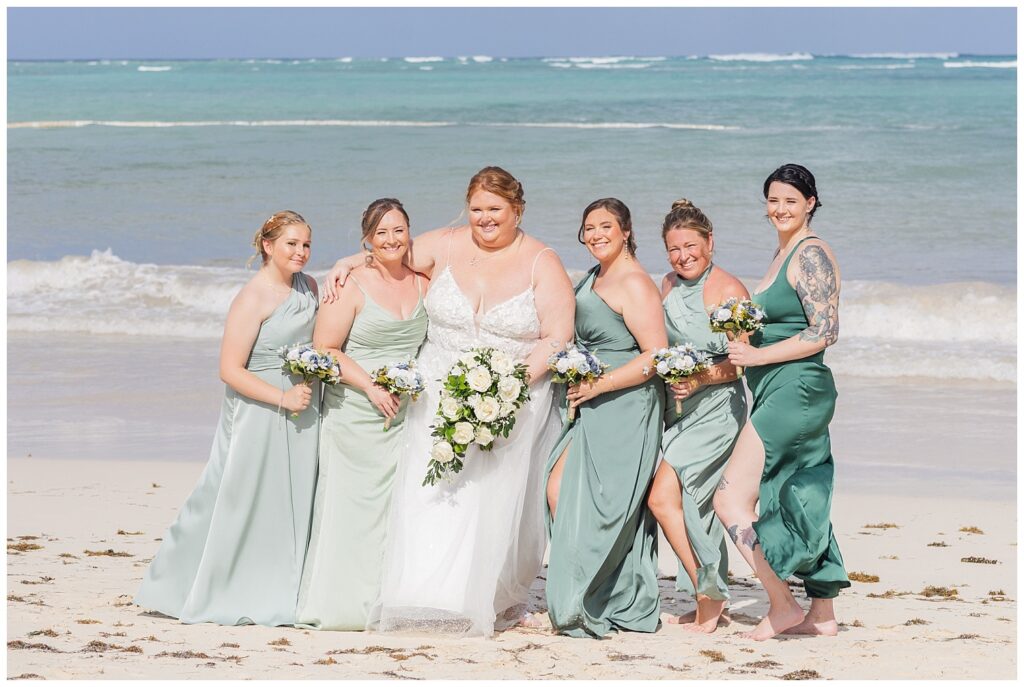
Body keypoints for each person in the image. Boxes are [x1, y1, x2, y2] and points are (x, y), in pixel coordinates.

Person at [323, 166, 575, 636]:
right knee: (430, 491)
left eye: (495, 209)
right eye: (477, 209)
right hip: (437, 387)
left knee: (493, 497)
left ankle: (485, 596)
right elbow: (389, 250)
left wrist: (507, 386)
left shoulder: (543, 261)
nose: (485, 218)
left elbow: (557, 338)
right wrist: (346, 263)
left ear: (516, 210)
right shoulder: (446, 243)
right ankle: (423, 595)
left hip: (514, 395)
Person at [135, 211, 320, 626]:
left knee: (291, 498)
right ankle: (182, 585)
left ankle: (284, 587)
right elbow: (230, 369)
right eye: (291, 244)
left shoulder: (309, 286)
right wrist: (282, 398)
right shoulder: (253, 297)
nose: (301, 252)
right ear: (268, 246)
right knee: (237, 496)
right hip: (260, 409)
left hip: (303, 406)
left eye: (307, 244)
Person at [714, 164, 850, 641]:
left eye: (790, 200)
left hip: (797, 389)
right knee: (801, 493)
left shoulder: (812, 253)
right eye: (772, 200)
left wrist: (757, 353)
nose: (780, 209)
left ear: (810, 202)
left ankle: (781, 603)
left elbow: (823, 332)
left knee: (729, 498)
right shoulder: (784, 251)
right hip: (780, 388)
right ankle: (823, 611)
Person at [295, 199, 428, 631]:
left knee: (397, 510)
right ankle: (343, 605)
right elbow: (326, 349)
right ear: (367, 239)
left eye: (398, 230)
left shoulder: (425, 282)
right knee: (351, 508)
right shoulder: (349, 284)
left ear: (410, 233)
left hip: (405, 415)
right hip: (354, 410)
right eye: (381, 232)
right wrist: (370, 386)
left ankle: (388, 599)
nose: (391, 240)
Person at [544, 198, 666, 639]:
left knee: (603, 503)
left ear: (626, 230)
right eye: (588, 227)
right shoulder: (595, 275)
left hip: (626, 402)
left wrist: (599, 385)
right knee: (561, 489)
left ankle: (597, 596)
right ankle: (593, 591)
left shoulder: (634, 283)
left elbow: (655, 355)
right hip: (592, 399)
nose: (595, 234)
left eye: (605, 226)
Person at [646, 199, 748, 634]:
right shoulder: (667, 284)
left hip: (718, 408)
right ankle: (709, 594)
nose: (683, 255)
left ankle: (710, 595)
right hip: (678, 410)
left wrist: (699, 379)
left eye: (691, 245)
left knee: (664, 498)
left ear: (710, 241)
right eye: (673, 248)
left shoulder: (728, 289)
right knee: (692, 505)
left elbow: (742, 362)